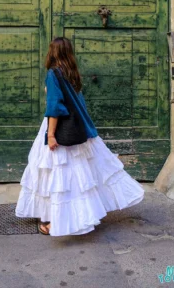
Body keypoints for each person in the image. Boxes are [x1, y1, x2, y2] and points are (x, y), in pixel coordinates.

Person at [15, 37, 144, 236]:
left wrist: (50, 135)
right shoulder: (72, 73)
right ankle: (66, 213)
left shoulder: (53, 73)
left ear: (53, 52)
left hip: (59, 128)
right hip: (76, 128)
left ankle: (59, 221)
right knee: (79, 176)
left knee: (61, 176)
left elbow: (55, 107)